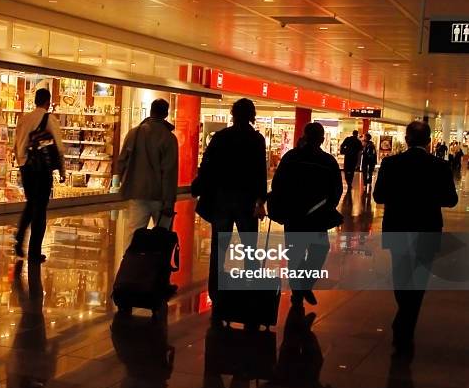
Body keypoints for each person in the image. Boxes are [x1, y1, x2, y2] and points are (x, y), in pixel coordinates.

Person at [373, 121, 458, 356]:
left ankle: (403, 323)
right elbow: (451, 200)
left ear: (407, 139)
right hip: (427, 228)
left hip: (398, 227)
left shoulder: (391, 164)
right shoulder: (440, 166)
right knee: (418, 281)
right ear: (429, 141)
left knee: (400, 277)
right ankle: (405, 327)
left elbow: (379, 196)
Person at [191, 98, 267, 301]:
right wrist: (261, 201)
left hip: (221, 199)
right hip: (246, 200)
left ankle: (215, 291)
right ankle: (252, 292)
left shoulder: (221, 137)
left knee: (219, 247)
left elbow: (207, 165)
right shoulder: (256, 140)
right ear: (252, 115)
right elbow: (260, 172)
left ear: (233, 114)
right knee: (250, 248)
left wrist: (199, 186)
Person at [270, 122, 343, 306]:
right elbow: (336, 190)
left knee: (295, 254)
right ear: (321, 139)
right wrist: (327, 208)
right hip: (317, 217)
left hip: (293, 215)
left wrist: (280, 204)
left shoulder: (291, 157)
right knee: (319, 250)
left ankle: (298, 291)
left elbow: (278, 184)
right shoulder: (328, 162)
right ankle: (305, 285)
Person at [14, 88, 65, 263]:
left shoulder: (23, 119)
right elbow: (59, 147)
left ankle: (20, 237)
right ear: (48, 102)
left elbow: (16, 144)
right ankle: (34, 251)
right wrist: (62, 171)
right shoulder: (49, 119)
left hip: (25, 166)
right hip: (41, 170)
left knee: (31, 203)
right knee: (40, 209)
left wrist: (22, 163)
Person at [117, 99, 178, 239]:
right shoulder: (169, 138)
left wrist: (126, 183)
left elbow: (121, 162)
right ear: (165, 114)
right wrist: (169, 201)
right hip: (160, 196)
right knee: (162, 235)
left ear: (151, 111)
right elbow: (169, 171)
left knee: (134, 233)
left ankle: (130, 259)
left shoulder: (134, 133)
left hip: (137, 193)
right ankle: (158, 260)